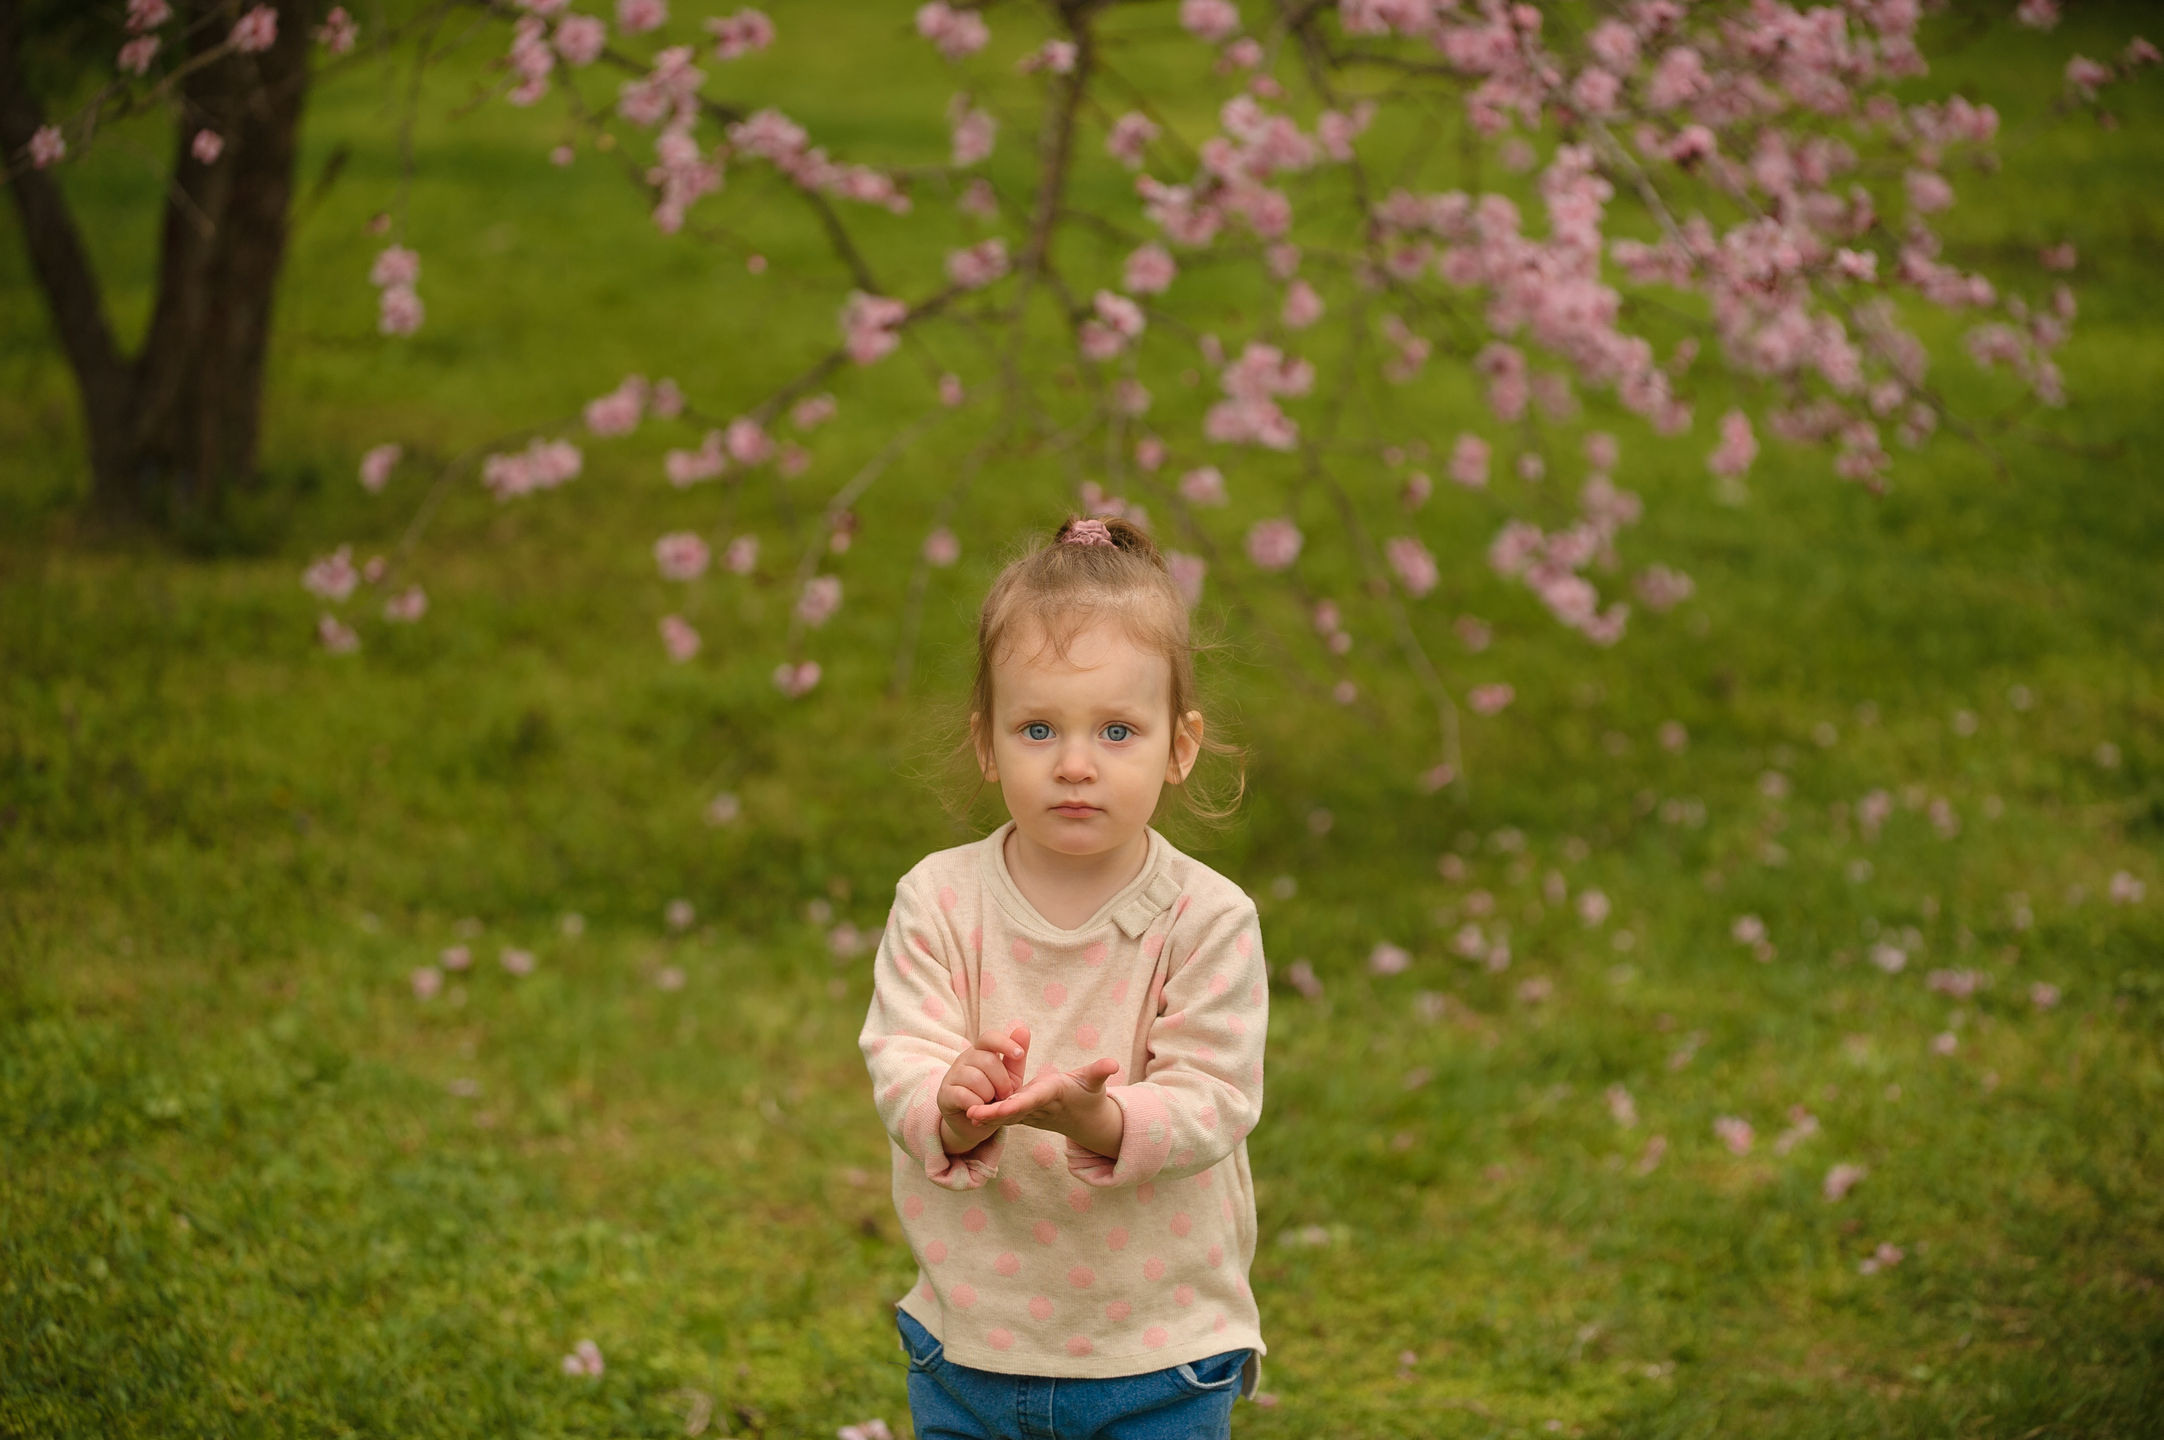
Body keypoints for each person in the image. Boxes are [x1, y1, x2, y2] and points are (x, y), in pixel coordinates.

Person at [858, 514, 1271, 1439]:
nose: (1076, 765)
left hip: (1159, 1348)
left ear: (1181, 745)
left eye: (1118, 730)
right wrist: (951, 1101)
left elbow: (1215, 1093)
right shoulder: (938, 900)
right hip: (971, 1340)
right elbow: (903, 1053)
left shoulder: (1205, 920)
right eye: (1038, 727)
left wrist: (1104, 1118)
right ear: (985, 742)